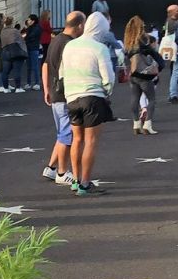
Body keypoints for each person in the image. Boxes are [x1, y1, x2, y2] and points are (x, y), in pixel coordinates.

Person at [63, 12, 117, 196]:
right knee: (91, 141)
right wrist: (107, 92)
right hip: (92, 97)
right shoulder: (99, 48)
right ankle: (85, 184)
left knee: (77, 139)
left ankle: (76, 180)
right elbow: (108, 78)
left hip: (71, 97)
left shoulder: (70, 46)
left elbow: (63, 72)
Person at [41, 11, 84, 187]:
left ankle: (51, 167)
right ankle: (62, 172)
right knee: (68, 135)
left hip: (54, 92)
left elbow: (45, 64)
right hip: (65, 94)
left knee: (62, 134)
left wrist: (46, 89)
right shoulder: (69, 44)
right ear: (79, 25)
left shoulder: (56, 40)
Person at [123, 16, 163, 136]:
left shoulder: (128, 41)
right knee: (151, 99)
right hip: (144, 73)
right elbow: (151, 52)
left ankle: (136, 124)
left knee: (135, 98)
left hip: (133, 73)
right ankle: (147, 125)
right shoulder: (143, 39)